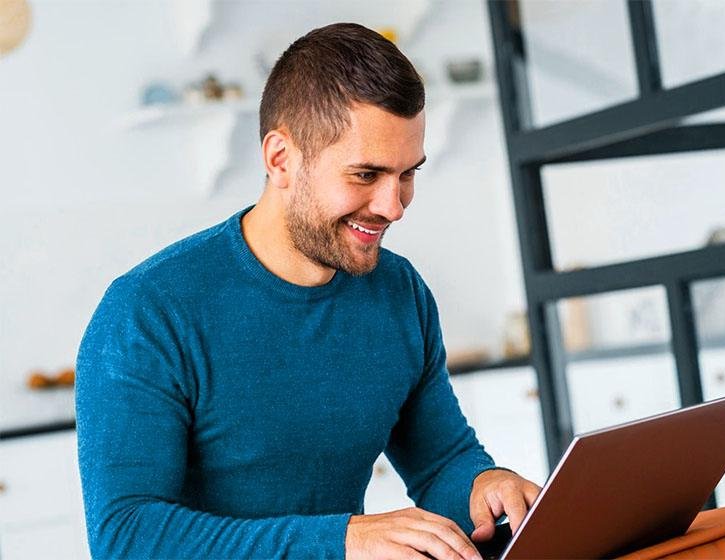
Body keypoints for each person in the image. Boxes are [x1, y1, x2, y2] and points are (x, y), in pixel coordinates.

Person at [76, 22, 541, 559]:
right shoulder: (147, 312)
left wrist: (486, 485)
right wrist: (340, 539)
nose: (393, 205)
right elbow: (126, 537)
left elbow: (441, 461)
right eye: (366, 175)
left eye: (408, 173)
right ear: (281, 160)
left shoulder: (399, 292)